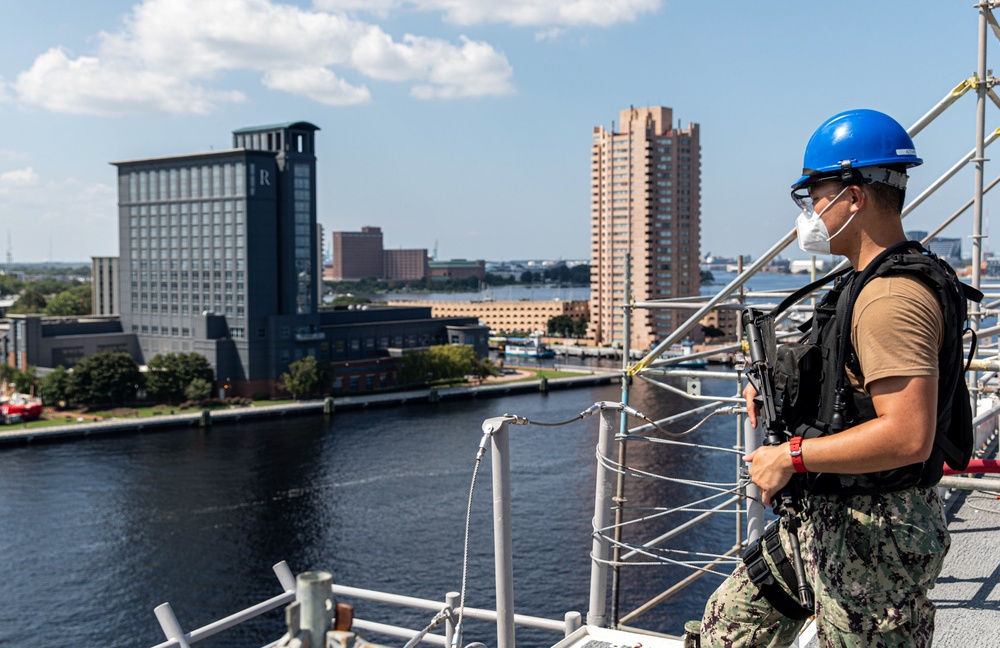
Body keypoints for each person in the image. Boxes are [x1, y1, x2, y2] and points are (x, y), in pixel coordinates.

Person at [700, 109, 961, 647]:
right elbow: (836, 360)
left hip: (877, 536)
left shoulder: (891, 297)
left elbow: (908, 435)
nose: (811, 211)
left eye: (816, 195)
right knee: (731, 626)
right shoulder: (863, 282)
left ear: (855, 196)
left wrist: (788, 457)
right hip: (826, 517)